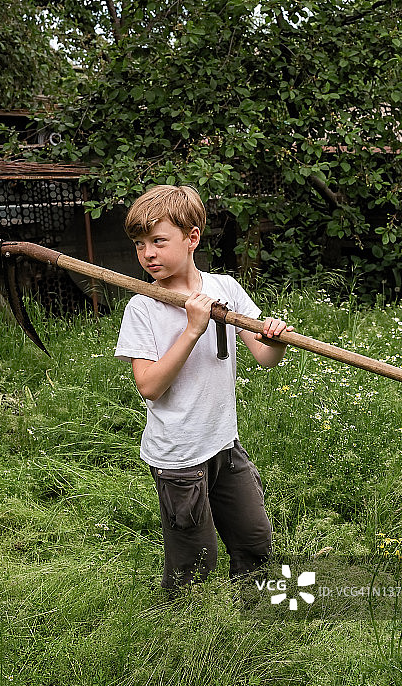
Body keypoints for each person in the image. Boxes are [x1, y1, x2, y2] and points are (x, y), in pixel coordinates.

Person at [115, 184, 293, 593]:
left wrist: (277, 341)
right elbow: (150, 387)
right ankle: (183, 634)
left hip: (224, 444)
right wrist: (193, 329)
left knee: (255, 541)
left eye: (158, 241)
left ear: (192, 237)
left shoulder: (225, 289)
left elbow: (264, 359)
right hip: (178, 458)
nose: (148, 254)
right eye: (140, 245)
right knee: (194, 563)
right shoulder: (143, 307)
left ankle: (251, 620)